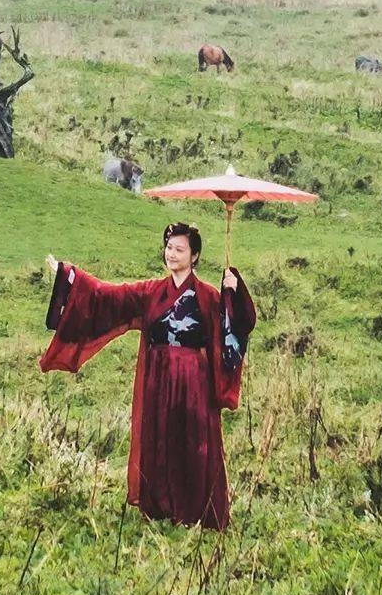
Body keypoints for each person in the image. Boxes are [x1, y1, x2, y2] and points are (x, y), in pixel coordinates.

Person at [40, 222, 256, 532]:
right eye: (169, 247)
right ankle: (160, 506)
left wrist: (234, 293)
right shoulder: (152, 292)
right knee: (159, 435)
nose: (172, 254)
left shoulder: (208, 297)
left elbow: (235, 329)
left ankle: (196, 510)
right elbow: (108, 296)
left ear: (194, 256)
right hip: (158, 377)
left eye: (179, 249)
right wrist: (68, 276)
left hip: (194, 381)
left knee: (195, 441)